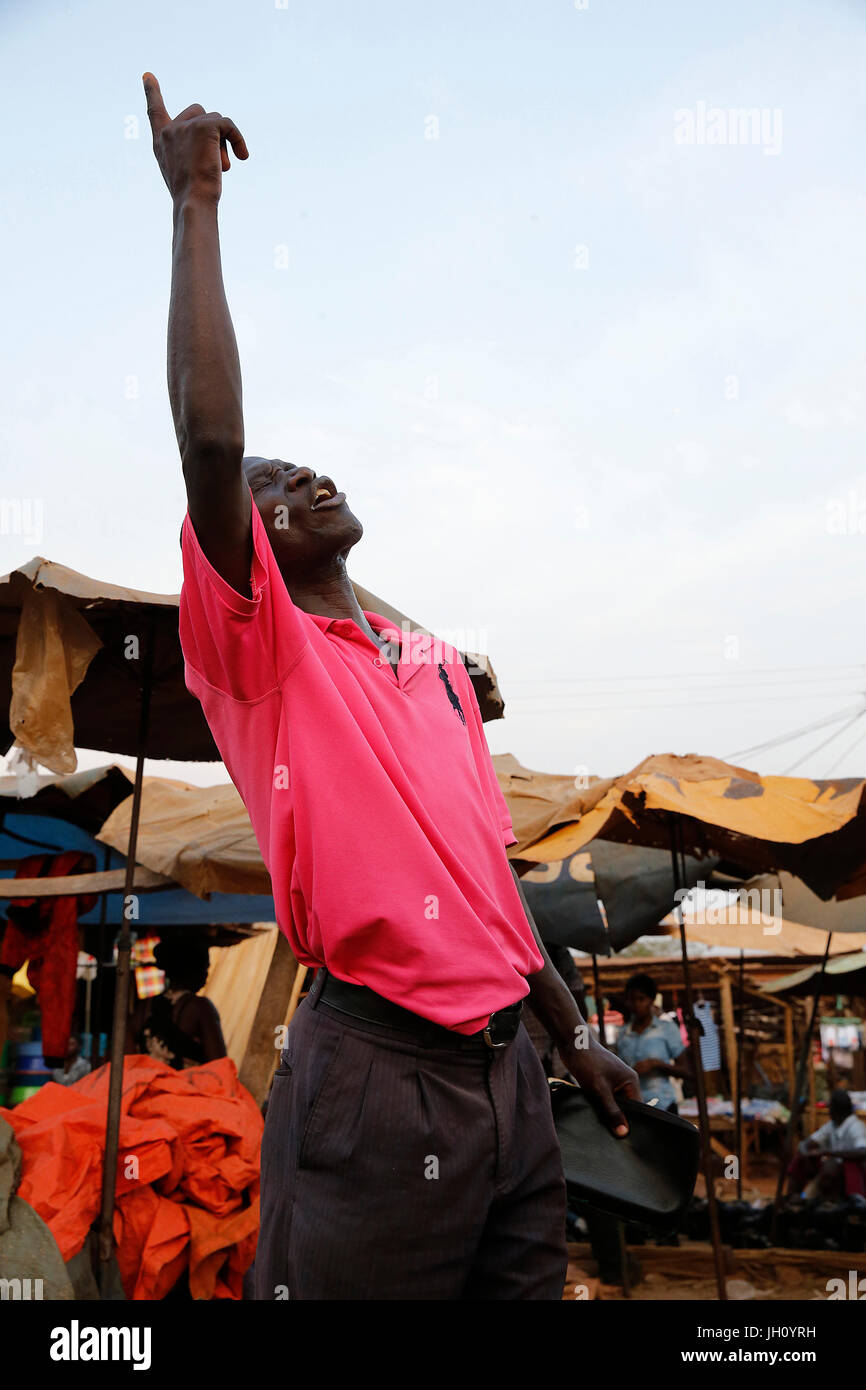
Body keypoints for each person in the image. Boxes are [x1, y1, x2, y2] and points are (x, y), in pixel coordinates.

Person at [142, 73, 640, 1302]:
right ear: (245, 543)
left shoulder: (435, 677)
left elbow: (488, 892)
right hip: (375, 1073)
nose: (304, 476)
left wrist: (573, 1039)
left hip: (510, 1082)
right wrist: (193, 205)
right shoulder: (261, 656)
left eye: (309, 466)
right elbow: (210, 440)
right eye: (277, 485)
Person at [125, 936, 226, 1071]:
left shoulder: (144, 1008)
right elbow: (219, 1064)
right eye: (205, 967)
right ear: (191, 969)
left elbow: (127, 1054)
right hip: (185, 1089)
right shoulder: (201, 1008)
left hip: (147, 1087)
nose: (207, 974)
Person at [615, 972, 691, 1113]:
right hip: (633, 1107)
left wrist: (656, 1064)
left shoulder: (666, 1029)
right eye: (632, 1000)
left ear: (651, 1000)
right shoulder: (622, 1034)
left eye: (641, 999)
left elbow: (685, 1071)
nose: (636, 1005)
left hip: (664, 1105)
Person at [787, 1089, 866, 1199]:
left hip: (851, 1173)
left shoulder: (856, 1127)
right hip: (832, 1168)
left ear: (836, 1110)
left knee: (832, 1166)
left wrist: (828, 1152)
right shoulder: (832, 1125)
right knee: (801, 1160)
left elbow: (863, 1151)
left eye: (830, 1107)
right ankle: (792, 1199)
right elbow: (808, 1143)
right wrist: (805, 1151)